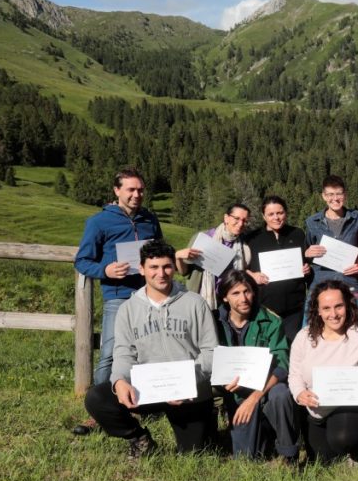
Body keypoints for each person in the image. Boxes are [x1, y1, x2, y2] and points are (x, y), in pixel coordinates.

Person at [83, 240, 217, 458]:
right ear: (142, 269)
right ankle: (138, 438)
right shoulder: (128, 309)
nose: (161, 273)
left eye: (166, 266)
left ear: (174, 267)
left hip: (189, 391)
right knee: (97, 397)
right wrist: (119, 380)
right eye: (154, 267)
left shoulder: (195, 303)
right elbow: (124, 352)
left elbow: (211, 351)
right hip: (148, 388)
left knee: (194, 454)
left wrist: (189, 381)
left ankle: (206, 418)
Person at [72, 167, 162, 435]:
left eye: (141, 189)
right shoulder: (99, 222)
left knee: (150, 350)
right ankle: (102, 413)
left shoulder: (150, 219)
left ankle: (147, 404)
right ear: (117, 191)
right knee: (110, 355)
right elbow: (82, 260)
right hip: (118, 297)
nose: (137, 194)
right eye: (131, 189)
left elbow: (158, 251)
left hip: (148, 296)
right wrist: (106, 270)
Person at [289, 280, 358, 464]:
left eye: (338, 306)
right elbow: (294, 374)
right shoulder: (303, 337)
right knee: (322, 460)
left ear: (348, 306)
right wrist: (299, 393)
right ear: (317, 310)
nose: (333, 314)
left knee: (342, 441)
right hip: (315, 411)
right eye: (326, 308)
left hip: (349, 408)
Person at [214, 269, 299, 463]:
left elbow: (282, 363)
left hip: (266, 388)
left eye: (247, 291)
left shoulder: (271, 320)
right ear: (225, 297)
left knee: (281, 393)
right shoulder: (214, 322)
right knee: (246, 459)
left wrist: (254, 397)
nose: (243, 298)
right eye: (235, 293)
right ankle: (264, 429)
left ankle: (289, 454)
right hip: (234, 391)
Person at [246, 196, 311, 343]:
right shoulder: (252, 239)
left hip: (294, 308)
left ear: (286, 213)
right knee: (267, 347)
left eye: (280, 213)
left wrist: (307, 269)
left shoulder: (297, 234)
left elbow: (306, 264)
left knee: (292, 346)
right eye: (271, 214)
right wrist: (252, 275)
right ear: (264, 216)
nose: (276, 217)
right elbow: (241, 268)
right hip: (264, 307)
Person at [303, 175, 358, 324]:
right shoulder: (312, 222)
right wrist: (307, 253)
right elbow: (306, 252)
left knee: (353, 335)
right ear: (324, 196)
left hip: (349, 284)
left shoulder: (357, 219)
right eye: (330, 194)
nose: (335, 198)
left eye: (339, 194)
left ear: (345, 195)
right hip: (320, 285)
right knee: (312, 333)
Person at [176, 203, 253, 310]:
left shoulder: (244, 246)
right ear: (226, 218)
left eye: (245, 220)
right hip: (200, 298)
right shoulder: (204, 238)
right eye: (237, 218)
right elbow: (184, 272)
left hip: (229, 302)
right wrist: (178, 257)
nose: (240, 224)